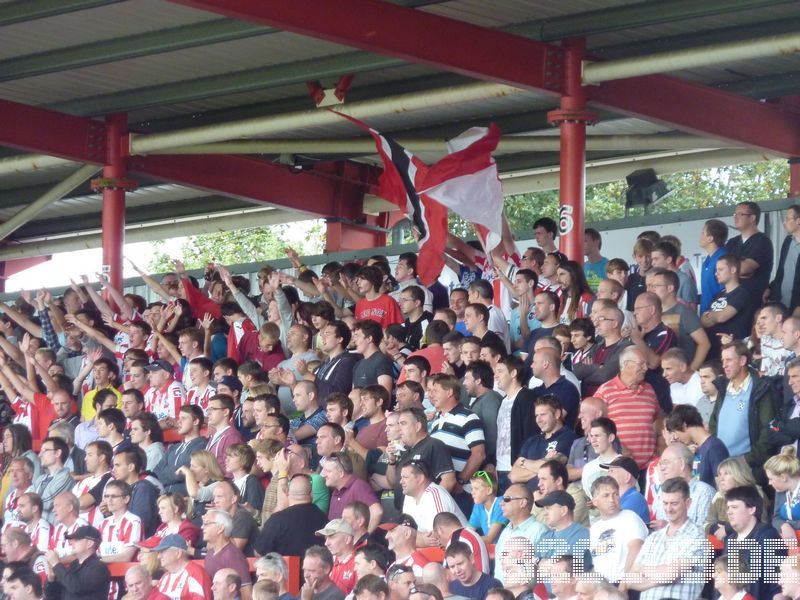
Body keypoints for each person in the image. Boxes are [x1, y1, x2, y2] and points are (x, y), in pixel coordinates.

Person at [627, 477, 710, 600]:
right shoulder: (653, 538)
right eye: (665, 503)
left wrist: (644, 570)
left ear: (688, 503)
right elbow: (630, 580)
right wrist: (662, 577)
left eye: (674, 503)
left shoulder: (697, 536)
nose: (668, 509)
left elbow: (670, 574)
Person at [709, 341, 775, 474]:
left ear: (742, 360)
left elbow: (768, 431)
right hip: (724, 466)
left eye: (729, 360)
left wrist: (748, 459)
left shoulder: (760, 388)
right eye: (723, 360)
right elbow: (714, 423)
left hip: (748, 468)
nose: (724, 365)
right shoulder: (723, 388)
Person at [595, 346, 661, 469]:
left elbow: (657, 418)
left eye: (646, 364)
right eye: (641, 364)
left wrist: (659, 446)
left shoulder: (649, 390)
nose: (645, 368)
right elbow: (595, 426)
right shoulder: (605, 391)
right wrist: (616, 446)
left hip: (649, 465)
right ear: (626, 364)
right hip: (619, 465)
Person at [724, 485, 785, 600]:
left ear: (752, 509)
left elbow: (778, 589)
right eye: (728, 507)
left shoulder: (768, 537)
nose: (729, 512)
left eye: (734, 507)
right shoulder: (730, 540)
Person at [588, 476, 648, 585]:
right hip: (602, 588)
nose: (612, 500)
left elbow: (636, 550)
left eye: (615, 494)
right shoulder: (595, 528)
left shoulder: (629, 517)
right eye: (606, 496)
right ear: (595, 502)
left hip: (625, 583)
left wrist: (623, 586)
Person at [254, 473, 328, 558]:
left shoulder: (276, 521)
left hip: (283, 571)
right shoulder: (323, 518)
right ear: (312, 494)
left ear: (287, 493)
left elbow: (259, 552)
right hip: (315, 570)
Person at [650, 268, 711, 371]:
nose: (652, 289)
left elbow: (704, 344)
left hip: (680, 374)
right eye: (652, 286)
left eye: (656, 286)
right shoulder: (653, 313)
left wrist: (691, 372)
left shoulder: (685, 312)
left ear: (670, 288)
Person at [511, 396, 575, 490]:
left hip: (552, 499)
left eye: (543, 414)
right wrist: (545, 461)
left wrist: (524, 463)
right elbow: (514, 476)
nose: (538, 420)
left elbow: (553, 469)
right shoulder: (531, 441)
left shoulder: (568, 437)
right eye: (536, 415)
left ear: (557, 414)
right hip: (527, 499)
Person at [701, 255, 755, 358]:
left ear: (733, 270)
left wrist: (710, 315)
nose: (716, 273)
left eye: (720, 269)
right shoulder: (718, 295)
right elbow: (702, 321)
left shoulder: (742, 293)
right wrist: (714, 316)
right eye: (716, 270)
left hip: (733, 352)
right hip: (713, 352)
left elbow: (722, 317)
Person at [493, 484, 547, 585]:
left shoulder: (540, 531)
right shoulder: (505, 531)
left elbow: (544, 572)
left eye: (507, 499)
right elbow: (498, 570)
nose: (501, 503)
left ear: (522, 503)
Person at [653, 443, 715, 529]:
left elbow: (704, 532)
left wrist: (670, 527)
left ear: (682, 464)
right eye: (661, 464)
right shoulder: (663, 492)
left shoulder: (704, 492)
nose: (662, 468)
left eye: (665, 462)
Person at [573, 305, 631, 397]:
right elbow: (575, 371)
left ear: (614, 323)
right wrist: (596, 367)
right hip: (588, 402)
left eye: (601, 319)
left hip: (608, 405)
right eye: (596, 320)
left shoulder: (625, 348)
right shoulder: (597, 347)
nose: (596, 324)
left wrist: (586, 373)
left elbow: (605, 376)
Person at [665, 403, 729, 488]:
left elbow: (722, 486)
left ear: (684, 426)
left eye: (675, 432)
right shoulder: (696, 450)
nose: (676, 437)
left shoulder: (714, 447)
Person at [725, 200, 774, 301]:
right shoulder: (732, 242)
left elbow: (744, 268)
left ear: (752, 218)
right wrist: (736, 269)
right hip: (731, 298)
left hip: (752, 300)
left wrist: (731, 269)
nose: (736, 217)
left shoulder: (762, 241)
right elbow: (721, 267)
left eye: (740, 214)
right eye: (735, 214)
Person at [44, 525, 109, 600]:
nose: (71, 542)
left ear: (89, 543)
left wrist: (56, 564)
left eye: (77, 539)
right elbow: (52, 596)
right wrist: (51, 580)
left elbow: (76, 588)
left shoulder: (98, 568)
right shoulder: (73, 566)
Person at [153, 405, 208, 495]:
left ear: (195, 421)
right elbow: (156, 471)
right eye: (178, 418)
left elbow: (186, 470)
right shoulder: (173, 448)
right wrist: (173, 472)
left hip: (184, 498)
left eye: (183, 418)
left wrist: (165, 473)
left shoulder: (202, 445)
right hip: (164, 498)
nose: (178, 422)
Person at [399, 461, 466, 535]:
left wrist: (416, 538)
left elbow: (440, 537)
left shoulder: (435, 494)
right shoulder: (409, 496)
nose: (400, 481)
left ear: (420, 478)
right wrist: (421, 540)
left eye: (405, 477)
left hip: (459, 544)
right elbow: (404, 533)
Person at [322, 452, 382, 530]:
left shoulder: (358, 486)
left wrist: (364, 538)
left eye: (328, 471)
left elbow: (377, 512)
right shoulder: (336, 491)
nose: (324, 475)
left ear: (341, 473)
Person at [203, 509, 252, 600]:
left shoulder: (233, 555)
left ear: (220, 528)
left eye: (207, 523)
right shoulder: (210, 553)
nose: (202, 527)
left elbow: (247, 595)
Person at [533, 490, 590, 568]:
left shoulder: (581, 534)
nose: (545, 513)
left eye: (548, 508)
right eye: (544, 509)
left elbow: (566, 568)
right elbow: (532, 564)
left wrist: (542, 562)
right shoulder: (545, 536)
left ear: (563, 510)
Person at [112, 447, 160, 537]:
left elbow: (140, 523)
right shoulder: (124, 489)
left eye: (117, 465)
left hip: (140, 544)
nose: (113, 470)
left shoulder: (144, 488)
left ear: (131, 467)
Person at [461, 361, 501, 464]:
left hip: (489, 464)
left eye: (467, 378)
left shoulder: (490, 399)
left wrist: (491, 462)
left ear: (478, 380)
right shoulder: (483, 399)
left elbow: (493, 433)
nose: (464, 383)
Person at [154, 533, 213, 600]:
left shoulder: (196, 574)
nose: (158, 557)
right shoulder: (164, 577)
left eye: (162, 552)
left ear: (178, 553)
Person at [98, 479, 142, 563]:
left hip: (126, 573)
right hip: (104, 572)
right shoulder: (103, 523)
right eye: (107, 496)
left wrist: (98, 561)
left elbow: (126, 557)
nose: (109, 500)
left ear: (126, 499)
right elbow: (98, 551)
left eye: (114, 496)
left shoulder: (133, 521)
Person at [71, 440, 112, 529]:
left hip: (94, 533)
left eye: (89, 455)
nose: (85, 459)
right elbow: (69, 505)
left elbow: (81, 503)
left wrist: (74, 507)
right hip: (75, 532)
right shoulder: (82, 482)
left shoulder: (109, 479)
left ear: (101, 458)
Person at [33, 436, 73, 523]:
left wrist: (30, 504)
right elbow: (29, 501)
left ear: (57, 453)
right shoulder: (40, 479)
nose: (39, 455)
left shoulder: (66, 477)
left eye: (45, 450)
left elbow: (47, 503)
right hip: (36, 530)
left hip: (53, 530)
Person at [764, 446, 800, 545]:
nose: (769, 483)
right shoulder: (780, 491)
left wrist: (789, 525)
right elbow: (775, 518)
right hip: (789, 544)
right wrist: (784, 526)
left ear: (783, 477)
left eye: (771, 479)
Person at [206, 394, 245, 478]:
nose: (208, 414)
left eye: (212, 409)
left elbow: (232, 472)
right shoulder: (215, 435)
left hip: (222, 486)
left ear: (225, 412)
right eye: (208, 410)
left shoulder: (232, 437)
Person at [770, 204, 800, 312]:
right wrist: (770, 289)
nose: (784, 222)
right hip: (782, 304)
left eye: (787, 218)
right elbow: (780, 273)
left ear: (798, 221)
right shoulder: (788, 241)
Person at [351, 320, 393, 395]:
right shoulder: (357, 365)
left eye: (357, 336)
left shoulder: (381, 360)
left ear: (369, 339)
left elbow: (385, 396)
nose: (354, 341)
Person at [467, 470, 508, 544]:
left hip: (507, 551)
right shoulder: (478, 506)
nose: (472, 492)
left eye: (476, 489)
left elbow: (490, 538)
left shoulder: (500, 503)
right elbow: (469, 531)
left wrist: (466, 540)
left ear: (489, 490)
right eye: (471, 489)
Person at [699, 218, 728, 314]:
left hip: (716, 317)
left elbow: (725, 291)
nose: (700, 236)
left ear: (710, 238)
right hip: (706, 316)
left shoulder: (723, 259)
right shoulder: (707, 261)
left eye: (703, 232)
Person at [49, 492, 87, 559]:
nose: (53, 510)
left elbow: (81, 556)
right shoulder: (58, 528)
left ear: (69, 508)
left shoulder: (82, 527)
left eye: (57, 506)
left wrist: (56, 562)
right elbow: (50, 552)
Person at [583, 228, 608, 293]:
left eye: (585, 241)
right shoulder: (582, 266)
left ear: (596, 242)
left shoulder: (608, 265)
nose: (581, 244)